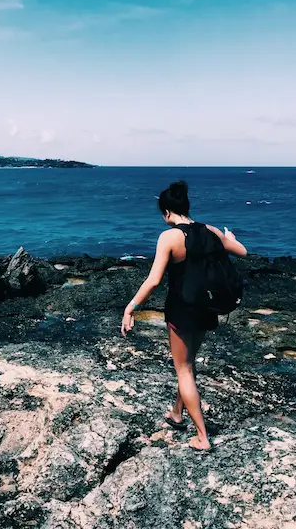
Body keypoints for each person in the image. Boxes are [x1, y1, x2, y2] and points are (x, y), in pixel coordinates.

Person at [121, 181, 247, 451]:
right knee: (188, 365)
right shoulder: (210, 231)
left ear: (167, 212)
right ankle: (177, 413)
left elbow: (154, 280)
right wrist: (231, 239)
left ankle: (202, 437)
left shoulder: (169, 237)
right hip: (207, 307)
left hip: (181, 309)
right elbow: (242, 251)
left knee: (184, 370)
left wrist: (131, 306)